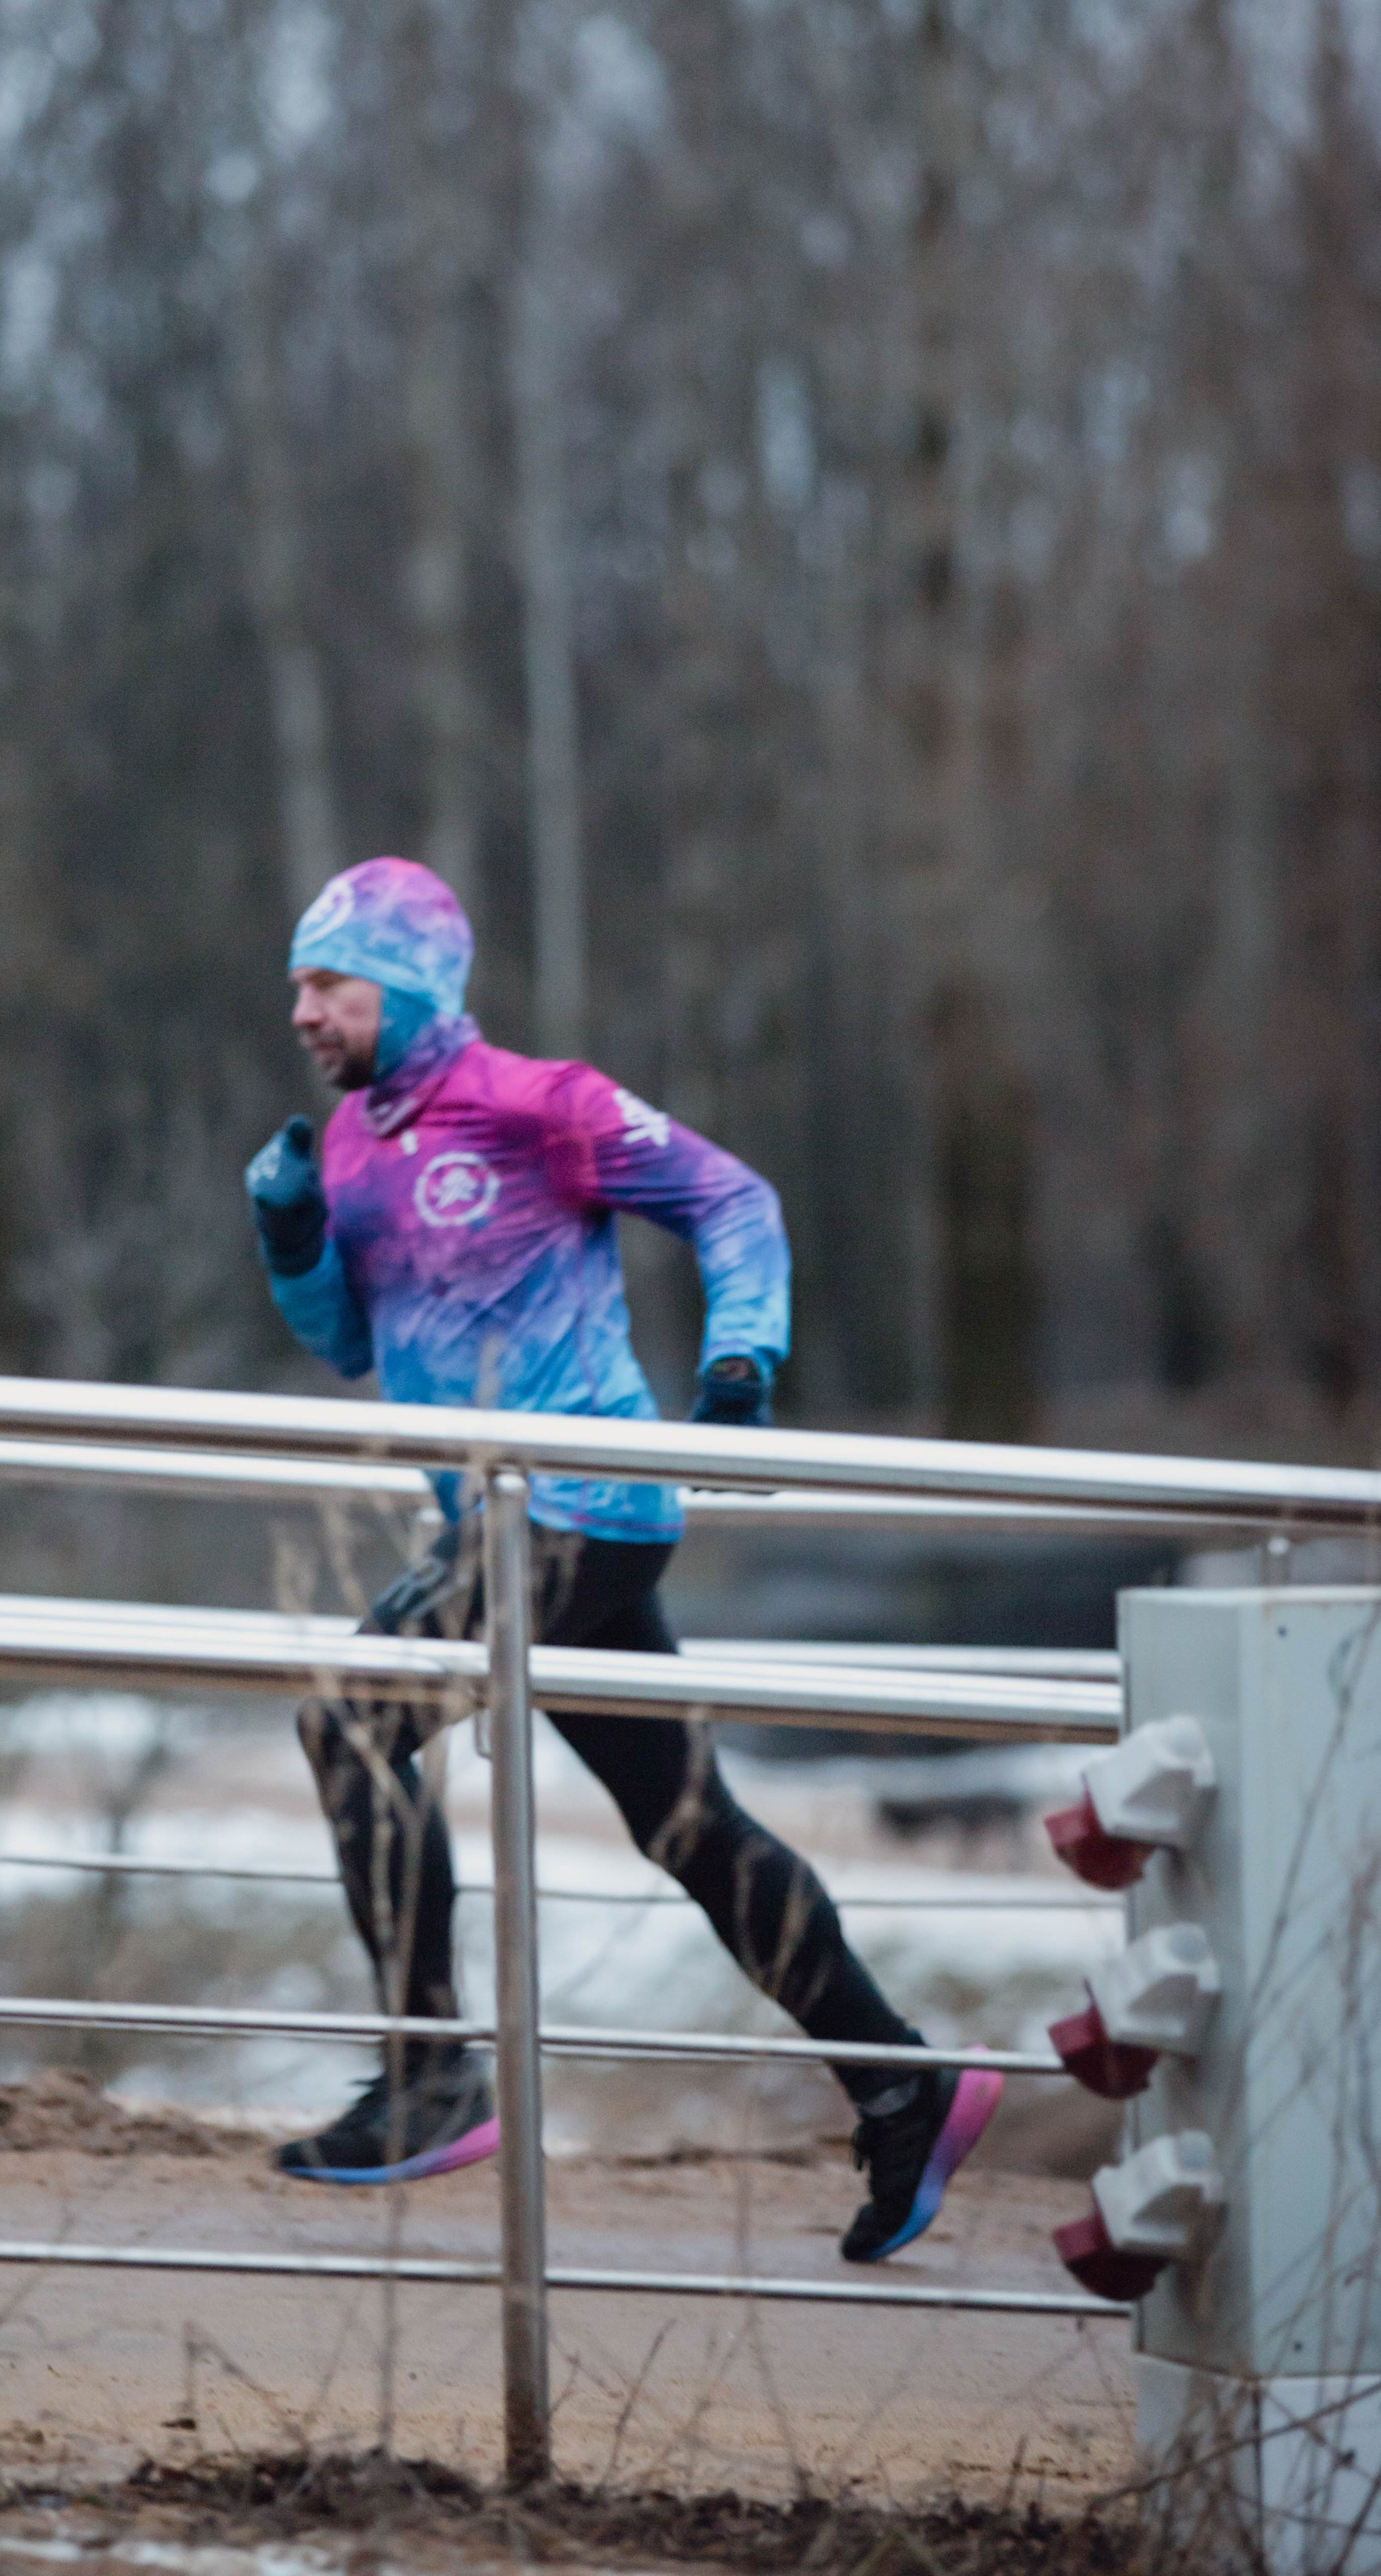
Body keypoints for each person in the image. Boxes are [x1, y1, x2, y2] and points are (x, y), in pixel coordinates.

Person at [244, 855, 999, 2264]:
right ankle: (902, 2085)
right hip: (497, 1525)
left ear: (408, 993)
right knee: (688, 1828)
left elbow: (735, 1201)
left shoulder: (541, 1105)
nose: (301, 1011)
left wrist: (739, 1363)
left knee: (348, 1715)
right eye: (295, 983)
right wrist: (292, 1237)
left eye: (329, 983)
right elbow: (355, 1343)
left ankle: (432, 2074)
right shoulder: (348, 1149)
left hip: (584, 1507)